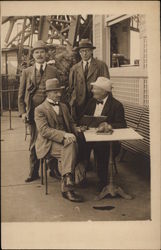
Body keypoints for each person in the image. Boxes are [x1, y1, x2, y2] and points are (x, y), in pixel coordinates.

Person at [34, 78, 83, 202]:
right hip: (48, 144)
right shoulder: (39, 109)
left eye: (60, 91)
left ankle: (67, 179)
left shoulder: (64, 106)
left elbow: (71, 123)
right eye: (56, 92)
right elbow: (44, 131)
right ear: (48, 93)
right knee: (70, 148)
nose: (59, 94)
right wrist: (64, 134)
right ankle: (67, 188)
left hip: (65, 142)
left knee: (69, 147)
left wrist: (77, 129)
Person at [18, 40, 60, 182]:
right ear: (33, 55)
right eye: (36, 52)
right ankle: (33, 171)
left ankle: (53, 169)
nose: (39, 54)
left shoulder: (53, 71)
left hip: (50, 112)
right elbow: (21, 93)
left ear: (46, 54)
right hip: (33, 113)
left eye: (42, 51)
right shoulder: (27, 71)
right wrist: (23, 112)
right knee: (34, 142)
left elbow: (58, 92)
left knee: (53, 138)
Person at [79, 77, 127, 190]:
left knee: (101, 147)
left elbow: (122, 124)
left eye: (95, 88)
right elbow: (81, 118)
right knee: (80, 144)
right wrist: (84, 123)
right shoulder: (91, 102)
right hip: (89, 136)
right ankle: (80, 176)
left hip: (108, 140)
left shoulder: (116, 105)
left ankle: (103, 181)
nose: (92, 91)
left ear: (104, 91)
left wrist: (109, 126)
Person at [68, 38, 110, 122]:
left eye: (87, 50)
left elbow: (106, 85)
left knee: (94, 125)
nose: (84, 53)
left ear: (91, 51)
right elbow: (71, 87)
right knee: (80, 125)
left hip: (95, 101)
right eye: (82, 51)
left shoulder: (100, 65)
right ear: (79, 53)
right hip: (79, 104)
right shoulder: (75, 68)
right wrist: (72, 101)